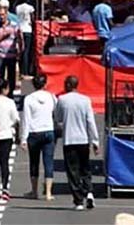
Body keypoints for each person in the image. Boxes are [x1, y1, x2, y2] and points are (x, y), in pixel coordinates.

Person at [55, 75, 99, 211]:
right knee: (85, 168)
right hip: (83, 139)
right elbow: (90, 121)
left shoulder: (62, 100)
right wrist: (95, 140)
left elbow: (58, 117)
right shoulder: (85, 100)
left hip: (69, 139)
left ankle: (78, 200)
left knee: (73, 171)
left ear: (68, 85)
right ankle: (89, 192)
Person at [20, 74, 56, 201]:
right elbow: (55, 113)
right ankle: (48, 192)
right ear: (45, 84)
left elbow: (26, 119)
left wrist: (23, 138)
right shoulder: (51, 97)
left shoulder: (29, 99)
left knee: (34, 162)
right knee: (49, 162)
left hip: (34, 133)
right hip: (48, 130)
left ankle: (34, 191)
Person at [0, 80, 19, 200]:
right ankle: (5, 188)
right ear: (5, 89)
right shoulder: (10, 102)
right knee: (4, 162)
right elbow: (16, 119)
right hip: (7, 135)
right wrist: (17, 135)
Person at [0, 8, 23, 95]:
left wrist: (20, 49)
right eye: (0, 15)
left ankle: (10, 94)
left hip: (11, 54)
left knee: (11, 77)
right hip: (0, 54)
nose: (1, 17)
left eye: (3, 15)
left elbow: (20, 37)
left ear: (7, 15)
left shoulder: (14, 25)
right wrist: (2, 37)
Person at [16, 0, 35, 78]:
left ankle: (20, 69)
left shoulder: (17, 7)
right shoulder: (30, 8)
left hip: (20, 29)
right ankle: (26, 71)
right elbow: (33, 18)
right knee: (27, 51)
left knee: (20, 50)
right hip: (28, 29)